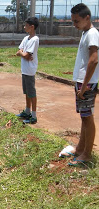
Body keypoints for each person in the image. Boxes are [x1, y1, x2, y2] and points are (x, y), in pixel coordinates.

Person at [68, 3, 99, 166]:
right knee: (84, 116)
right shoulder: (86, 32)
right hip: (82, 82)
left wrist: (85, 85)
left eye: (76, 21)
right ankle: (80, 148)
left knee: (87, 117)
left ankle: (87, 154)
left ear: (87, 18)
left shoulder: (92, 33)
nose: (74, 25)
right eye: (73, 21)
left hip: (86, 84)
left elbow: (94, 60)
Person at [15, 17, 39, 124]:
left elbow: (25, 54)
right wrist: (23, 53)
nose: (24, 27)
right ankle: (27, 111)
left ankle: (33, 115)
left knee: (31, 93)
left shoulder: (35, 39)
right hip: (24, 69)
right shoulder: (26, 38)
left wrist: (23, 53)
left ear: (32, 27)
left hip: (30, 70)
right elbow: (20, 51)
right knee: (26, 92)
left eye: (26, 25)